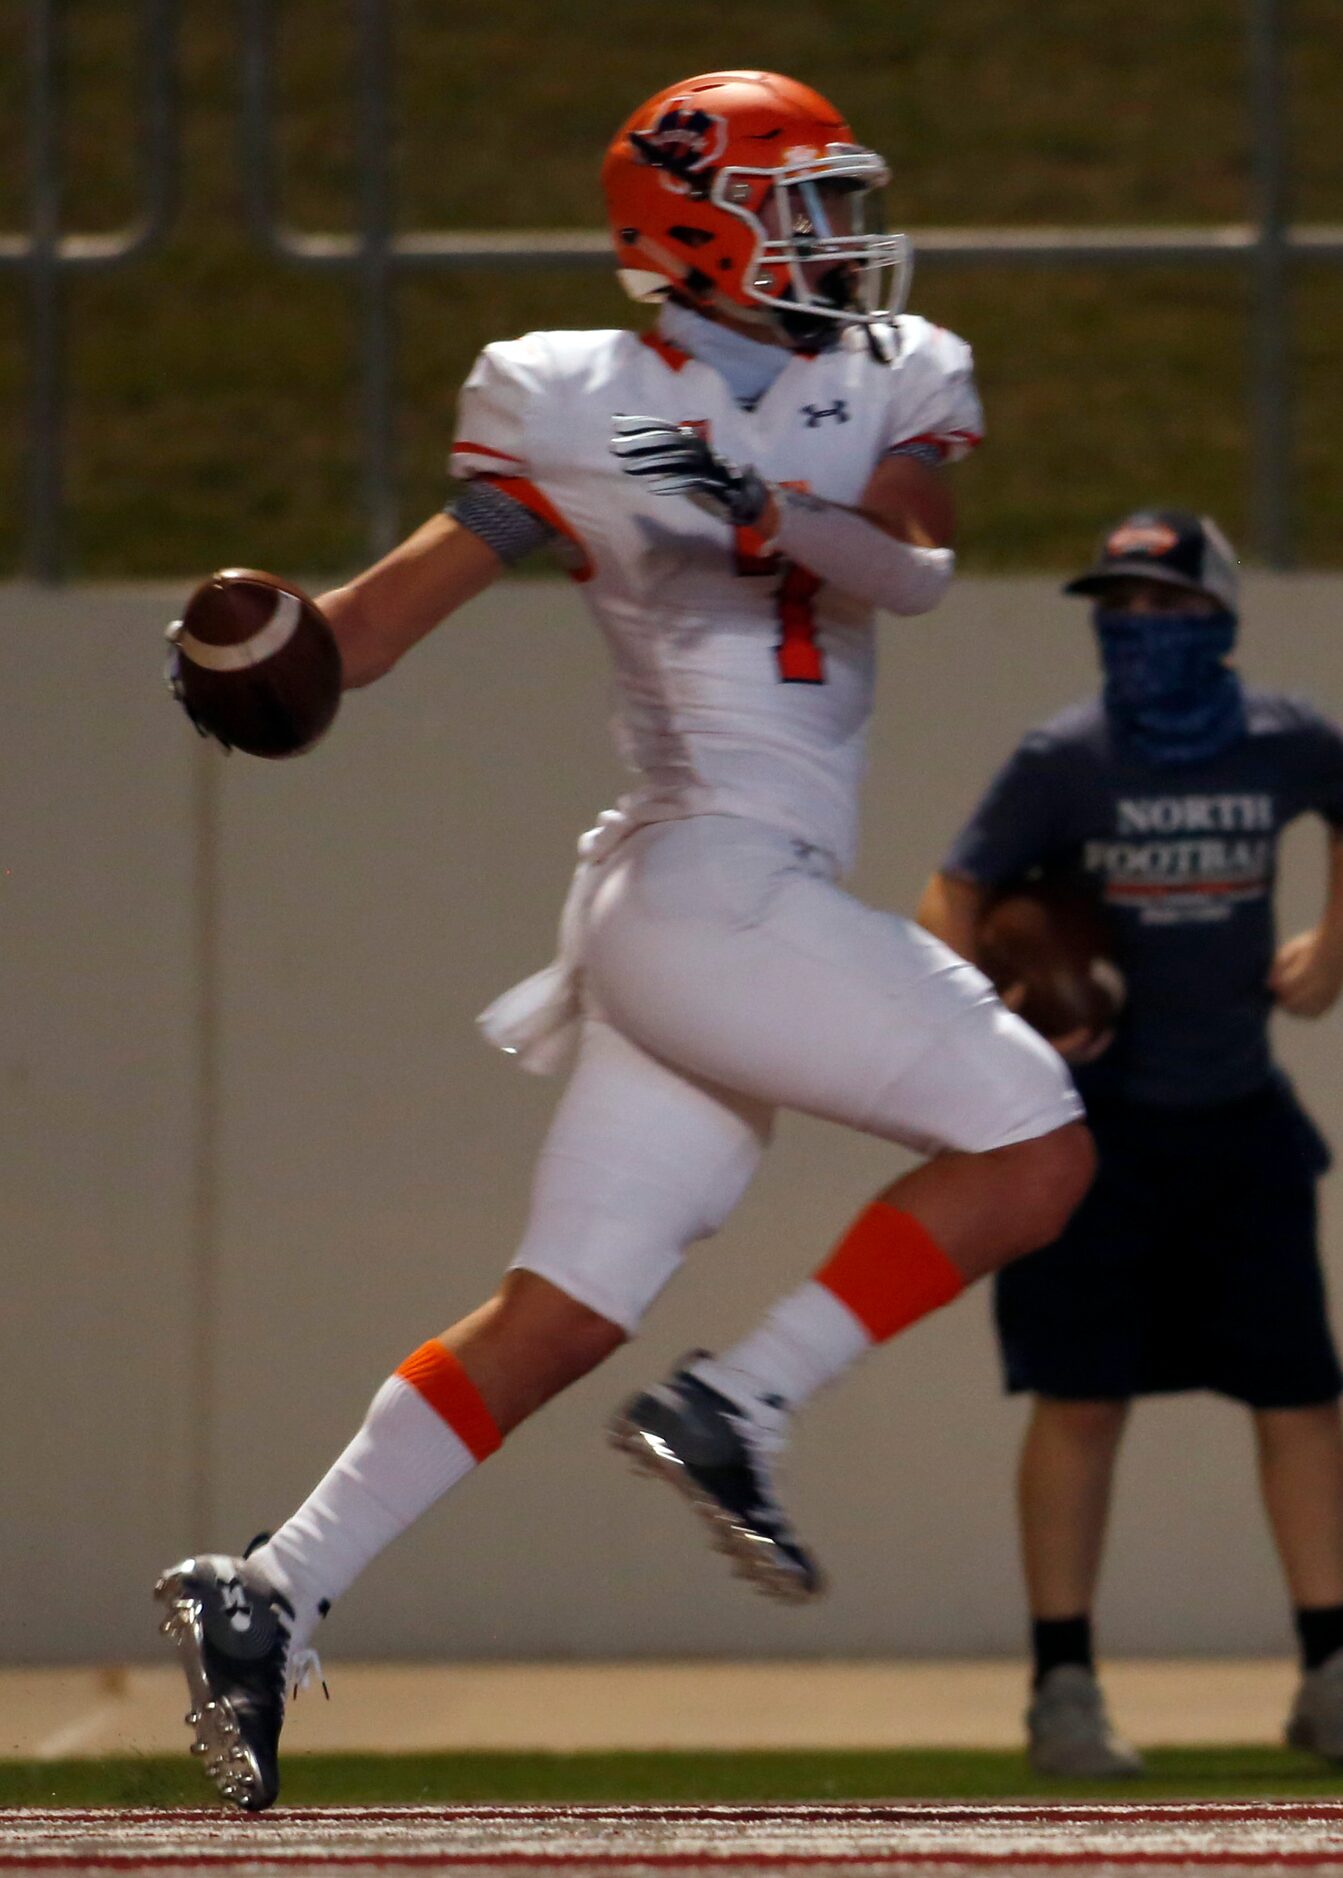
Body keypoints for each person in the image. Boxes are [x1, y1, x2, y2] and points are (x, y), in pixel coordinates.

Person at [155, 69, 1092, 1811]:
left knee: (564, 1308)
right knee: (1033, 1141)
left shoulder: (892, 373)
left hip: (700, 908)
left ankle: (266, 1588)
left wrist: (756, 510)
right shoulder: (566, 399)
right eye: (799, 203)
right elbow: (373, 625)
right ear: (695, 228)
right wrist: (263, 652)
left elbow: (906, 565)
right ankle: (743, 1398)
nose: (838, 237)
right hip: (698, 889)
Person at [918, 508, 1343, 1777]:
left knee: (1302, 1401)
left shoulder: (1282, 741)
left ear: (1214, 619)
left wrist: (1332, 948)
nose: (1136, 632)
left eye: (1162, 608)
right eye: (1116, 608)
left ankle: (1328, 1671)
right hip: (1087, 1138)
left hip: (1238, 1117)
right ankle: (1061, 1690)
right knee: (1080, 1401)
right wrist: (989, 1031)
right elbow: (950, 898)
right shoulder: (1065, 758)